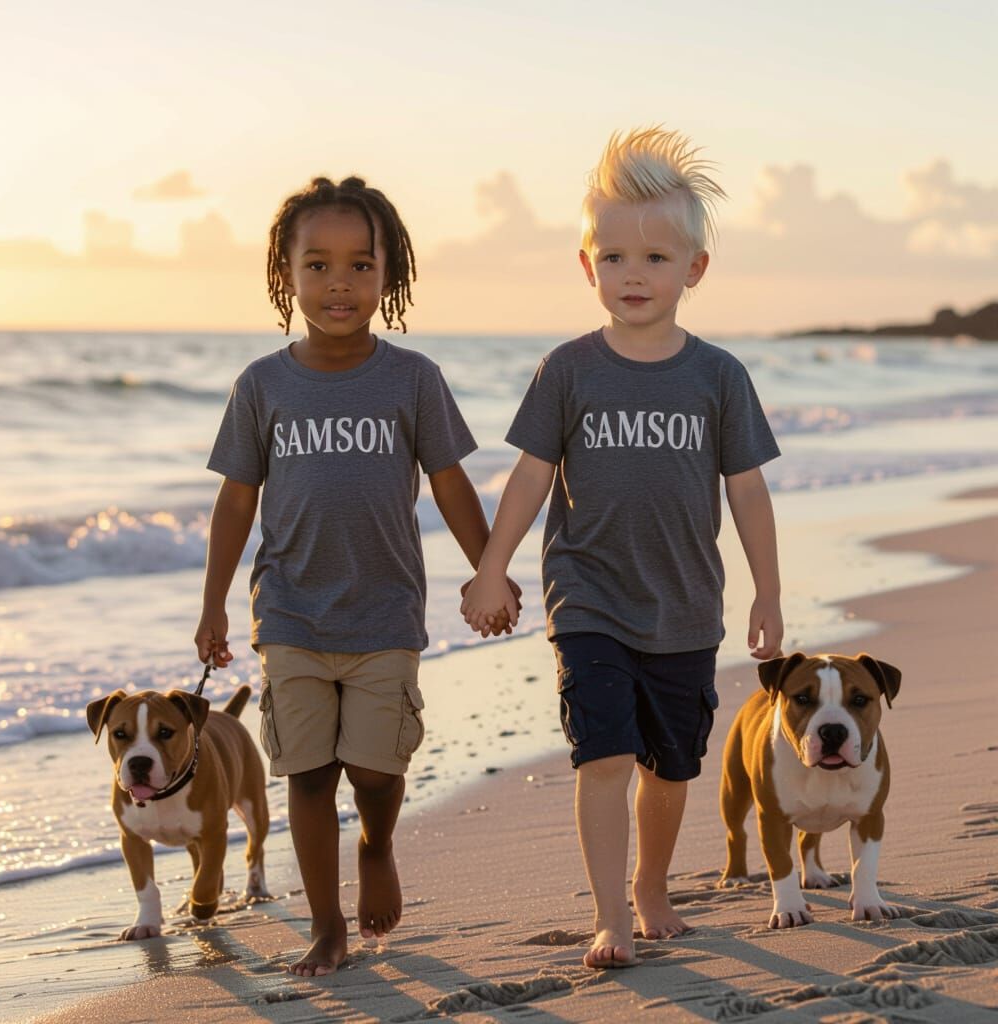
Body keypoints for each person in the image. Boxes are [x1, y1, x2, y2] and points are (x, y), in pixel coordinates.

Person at [460, 127, 783, 969]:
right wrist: (491, 566)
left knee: (671, 769)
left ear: (694, 270)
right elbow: (530, 477)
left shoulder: (719, 377)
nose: (631, 274)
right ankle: (610, 914)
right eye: (611, 258)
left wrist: (769, 594)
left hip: (684, 605)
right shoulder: (568, 370)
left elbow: (747, 490)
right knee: (601, 752)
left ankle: (651, 886)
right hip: (589, 597)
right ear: (585, 265)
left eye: (653, 257)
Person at [195, 175, 515, 977]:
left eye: (361, 266)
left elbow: (450, 485)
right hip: (292, 613)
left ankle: (376, 841)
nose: (339, 283)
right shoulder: (262, 385)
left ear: (390, 276)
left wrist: (493, 572)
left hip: (385, 611)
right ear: (286, 275)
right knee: (307, 772)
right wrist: (214, 608)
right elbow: (236, 505)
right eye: (317, 265)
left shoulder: (412, 379)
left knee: (376, 768)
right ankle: (326, 924)